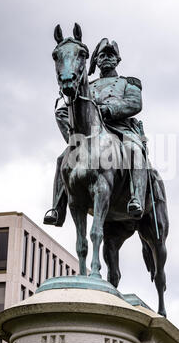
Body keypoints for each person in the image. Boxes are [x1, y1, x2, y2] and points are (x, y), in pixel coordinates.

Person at [44, 38, 146, 226]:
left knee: (134, 151)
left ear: (117, 59)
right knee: (62, 159)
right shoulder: (86, 85)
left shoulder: (129, 82)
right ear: (96, 61)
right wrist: (74, 137)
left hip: (120, 130)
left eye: (110, 55)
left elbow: (134, 103)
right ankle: (57, 208)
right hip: (89, 135)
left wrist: (109, 109)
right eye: (102, 55)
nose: (106, 58)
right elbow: (72, 108)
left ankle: (136, 198)